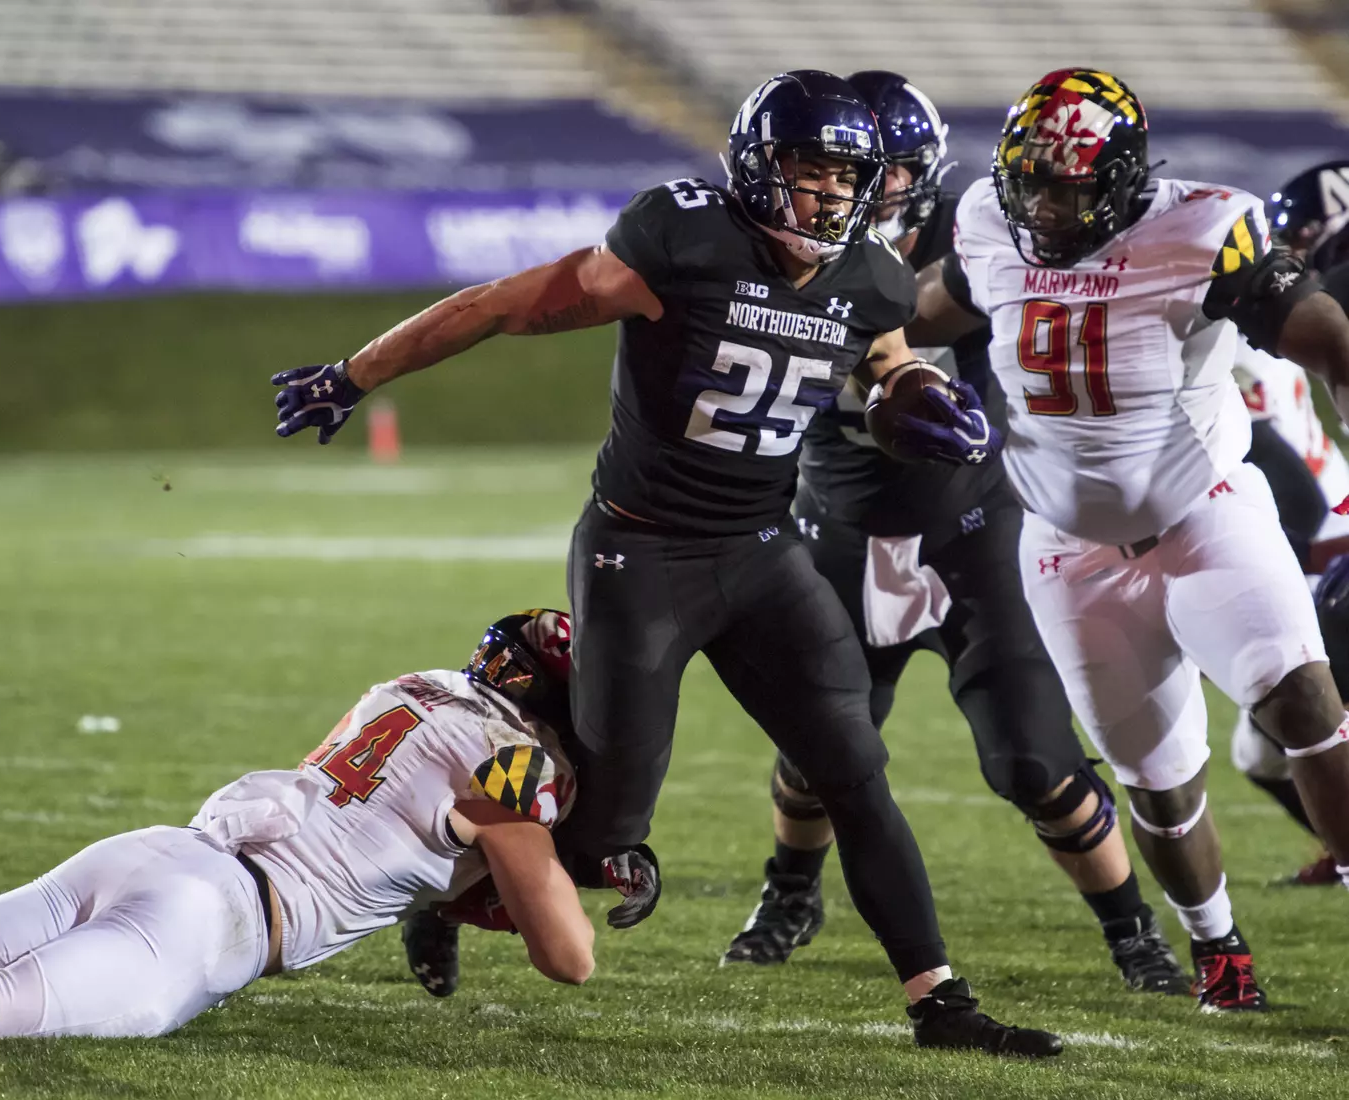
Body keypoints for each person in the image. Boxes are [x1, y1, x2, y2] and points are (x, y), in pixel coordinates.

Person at [274, 69, 1061, 1057]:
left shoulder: (873, 277)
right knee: (607, 831)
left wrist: (912, 399)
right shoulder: (679, 239)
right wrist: (353, 374)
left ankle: (939, 1000)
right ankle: (444, 893)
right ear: (757, 166)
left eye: (846, 175)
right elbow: (496, 305)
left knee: (854, 768)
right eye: (809, 171)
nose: (828, 194)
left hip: (762, 550)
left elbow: (885, 365)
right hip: (639, 552)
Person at [722, 70, 1187, 999]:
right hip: (839, 527)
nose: (865, 192)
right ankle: (788, 895)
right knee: (820, 747)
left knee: (1033, 759)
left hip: (974, 527)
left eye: (888, 174)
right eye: (847, 170)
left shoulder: (985, 240)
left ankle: (1135, 932)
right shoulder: (779, 246)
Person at [909, 67, 1349, 1013]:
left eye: (1070, 183)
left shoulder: (1203, 226)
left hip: (1207, 514)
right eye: (1033, 179)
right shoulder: (987, 220)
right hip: (1066, 549)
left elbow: (1322, 334)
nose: (1047, 203)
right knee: (1157, 779)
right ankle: (1216, 944)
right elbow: (924, 308)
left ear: (1120, 176)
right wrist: (876, 366)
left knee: (1306, 701)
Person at [0, 611, 603, 1036]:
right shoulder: (511, 762)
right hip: (215, 920)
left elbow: (408, 843)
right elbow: (566, 958)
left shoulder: (413, 690)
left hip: (162, 850)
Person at [1226, 161, 1349, 884]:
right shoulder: (1299, 314)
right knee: (1266, 745)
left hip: (1312, 539)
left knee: (1279, 734)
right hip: (1314, 528)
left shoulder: (1243, 329)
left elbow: (1280, 473)